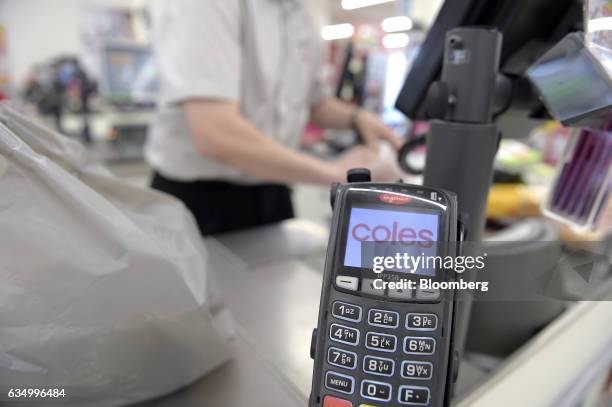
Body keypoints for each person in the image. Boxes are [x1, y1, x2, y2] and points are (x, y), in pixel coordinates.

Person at [146, 0, 402, 235]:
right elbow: (215, 133)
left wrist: (358, 118)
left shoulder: (303, 12)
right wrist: (333, 172)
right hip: (198, 201)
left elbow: (315, 102)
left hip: (274, 190)